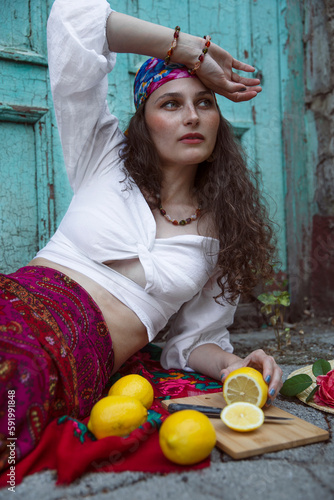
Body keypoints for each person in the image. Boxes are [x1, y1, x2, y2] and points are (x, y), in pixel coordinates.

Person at [0, 0, 283, 469]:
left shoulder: (224, 229)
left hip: (73, 360)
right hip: (17, 304)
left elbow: (193, 343)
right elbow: (71, 19)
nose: (191, 116)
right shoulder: (102, 155)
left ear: (218, 121)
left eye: (205, 103)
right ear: (144, 123)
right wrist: (187, 50)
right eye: (171, 103)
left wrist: (234, 366)